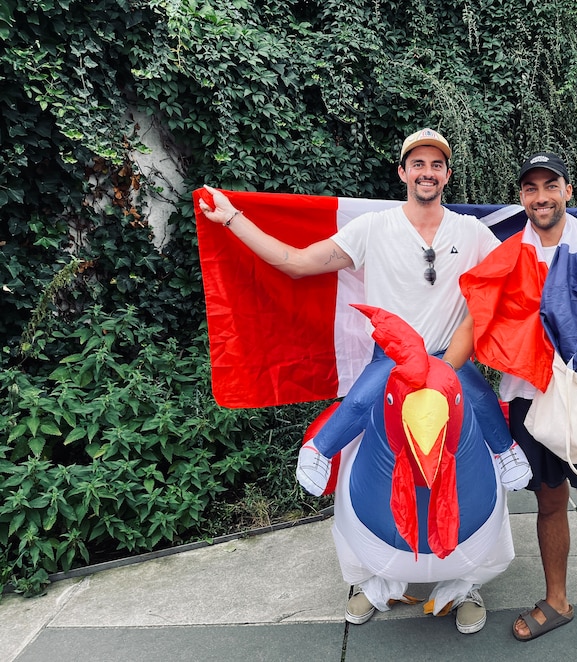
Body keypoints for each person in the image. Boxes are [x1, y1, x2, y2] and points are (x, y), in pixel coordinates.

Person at [198, 127, 530, 634]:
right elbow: (296, 263)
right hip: (391, 364)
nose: (427, 172)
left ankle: (470, 572)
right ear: (402, 172)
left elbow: (522, 261)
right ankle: (331, 482)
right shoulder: (372, 228)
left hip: (451, 367)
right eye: (417, 163)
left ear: (447, 174)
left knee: (476, 419)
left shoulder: (472, 233)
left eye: (436, 164)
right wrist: (234, 218)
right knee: (361, 408)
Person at [461, 153, 577, 661]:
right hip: (523, 401)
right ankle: (557, 601)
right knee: (548, 504)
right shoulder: (506, 253)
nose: (540, 196)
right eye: (530, 188)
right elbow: (478, 313)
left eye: (550, 186)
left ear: (568, 190)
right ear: (521, 197)